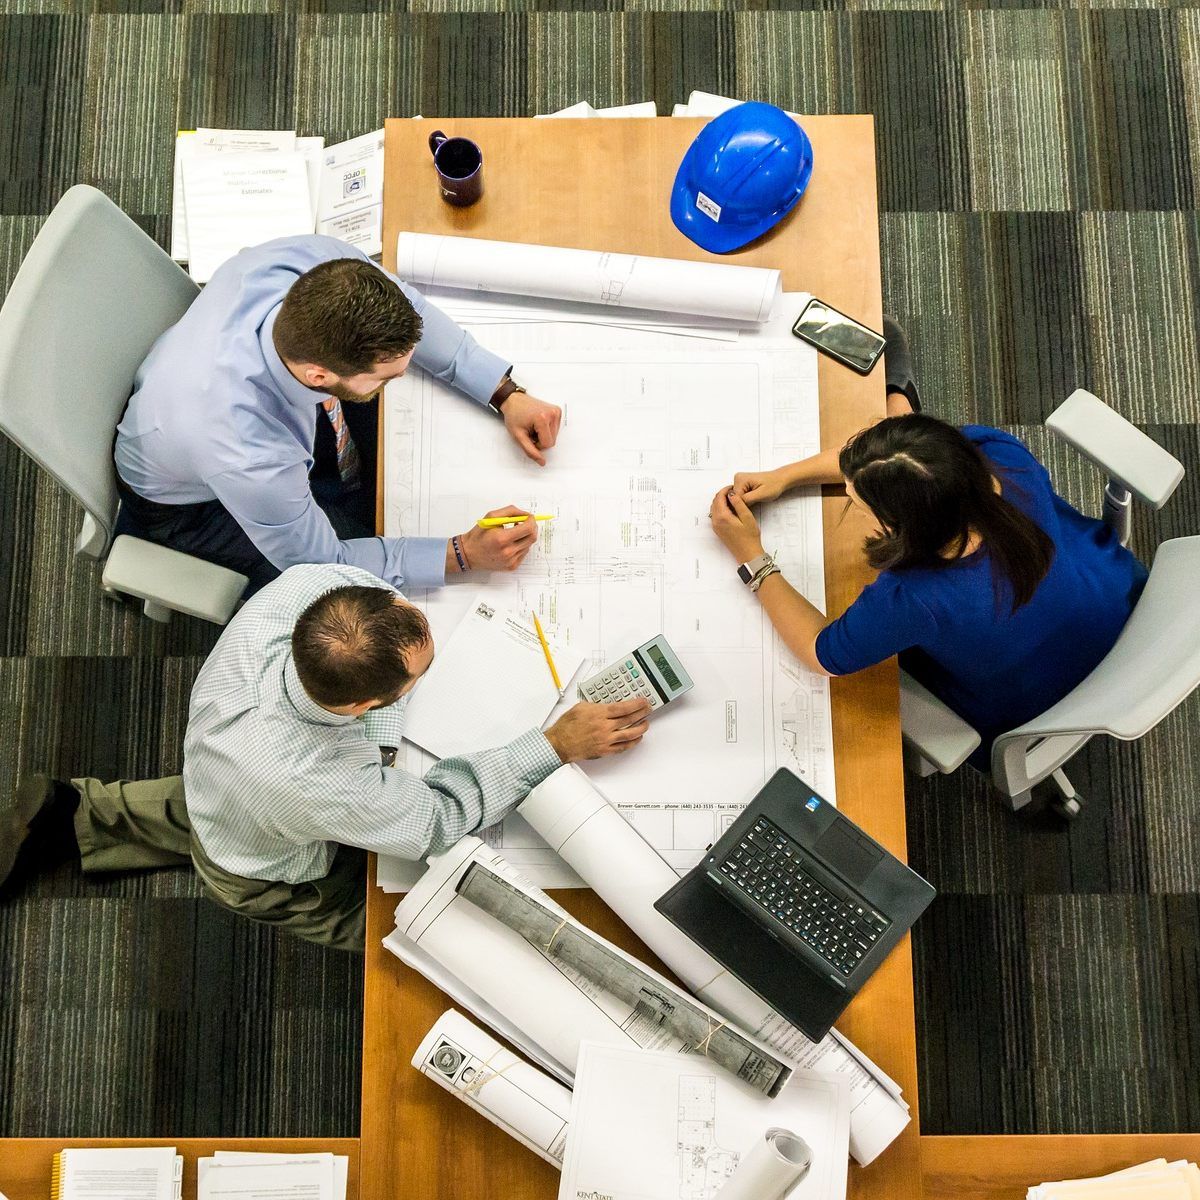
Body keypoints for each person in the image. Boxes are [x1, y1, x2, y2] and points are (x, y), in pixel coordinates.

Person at [0, 564, 651, 949]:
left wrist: (383, 731)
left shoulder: (310, 590)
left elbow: (374, 599)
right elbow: (436, 819)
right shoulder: (317, 782)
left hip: (219, 771)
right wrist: (552, 744)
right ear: (359, 706)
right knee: (406, 923)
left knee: (210, 807)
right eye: (417, 679)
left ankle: (74, 813)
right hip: (261, 866)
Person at [707, 325, 1148, 771]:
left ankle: (898, 397)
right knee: (889, 336)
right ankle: (900, 399)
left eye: (857, 502)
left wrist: (752, 557)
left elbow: (823, 654)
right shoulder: (997, 453)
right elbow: (899, 464)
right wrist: (785, 477)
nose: (848, 499)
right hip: (1115, 598)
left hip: (1034, 699)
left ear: (900, 527)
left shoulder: (915, 599)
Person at [115, 235, 565, 593]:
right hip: (190, 506)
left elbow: (413, 311)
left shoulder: (315, 262)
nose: (402, 377)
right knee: (356, 594)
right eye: (388, 376)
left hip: (192, 400)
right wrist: (462, 554)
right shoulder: (249, 454)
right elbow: (322, 563)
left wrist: (503, 392)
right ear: (318, 374)